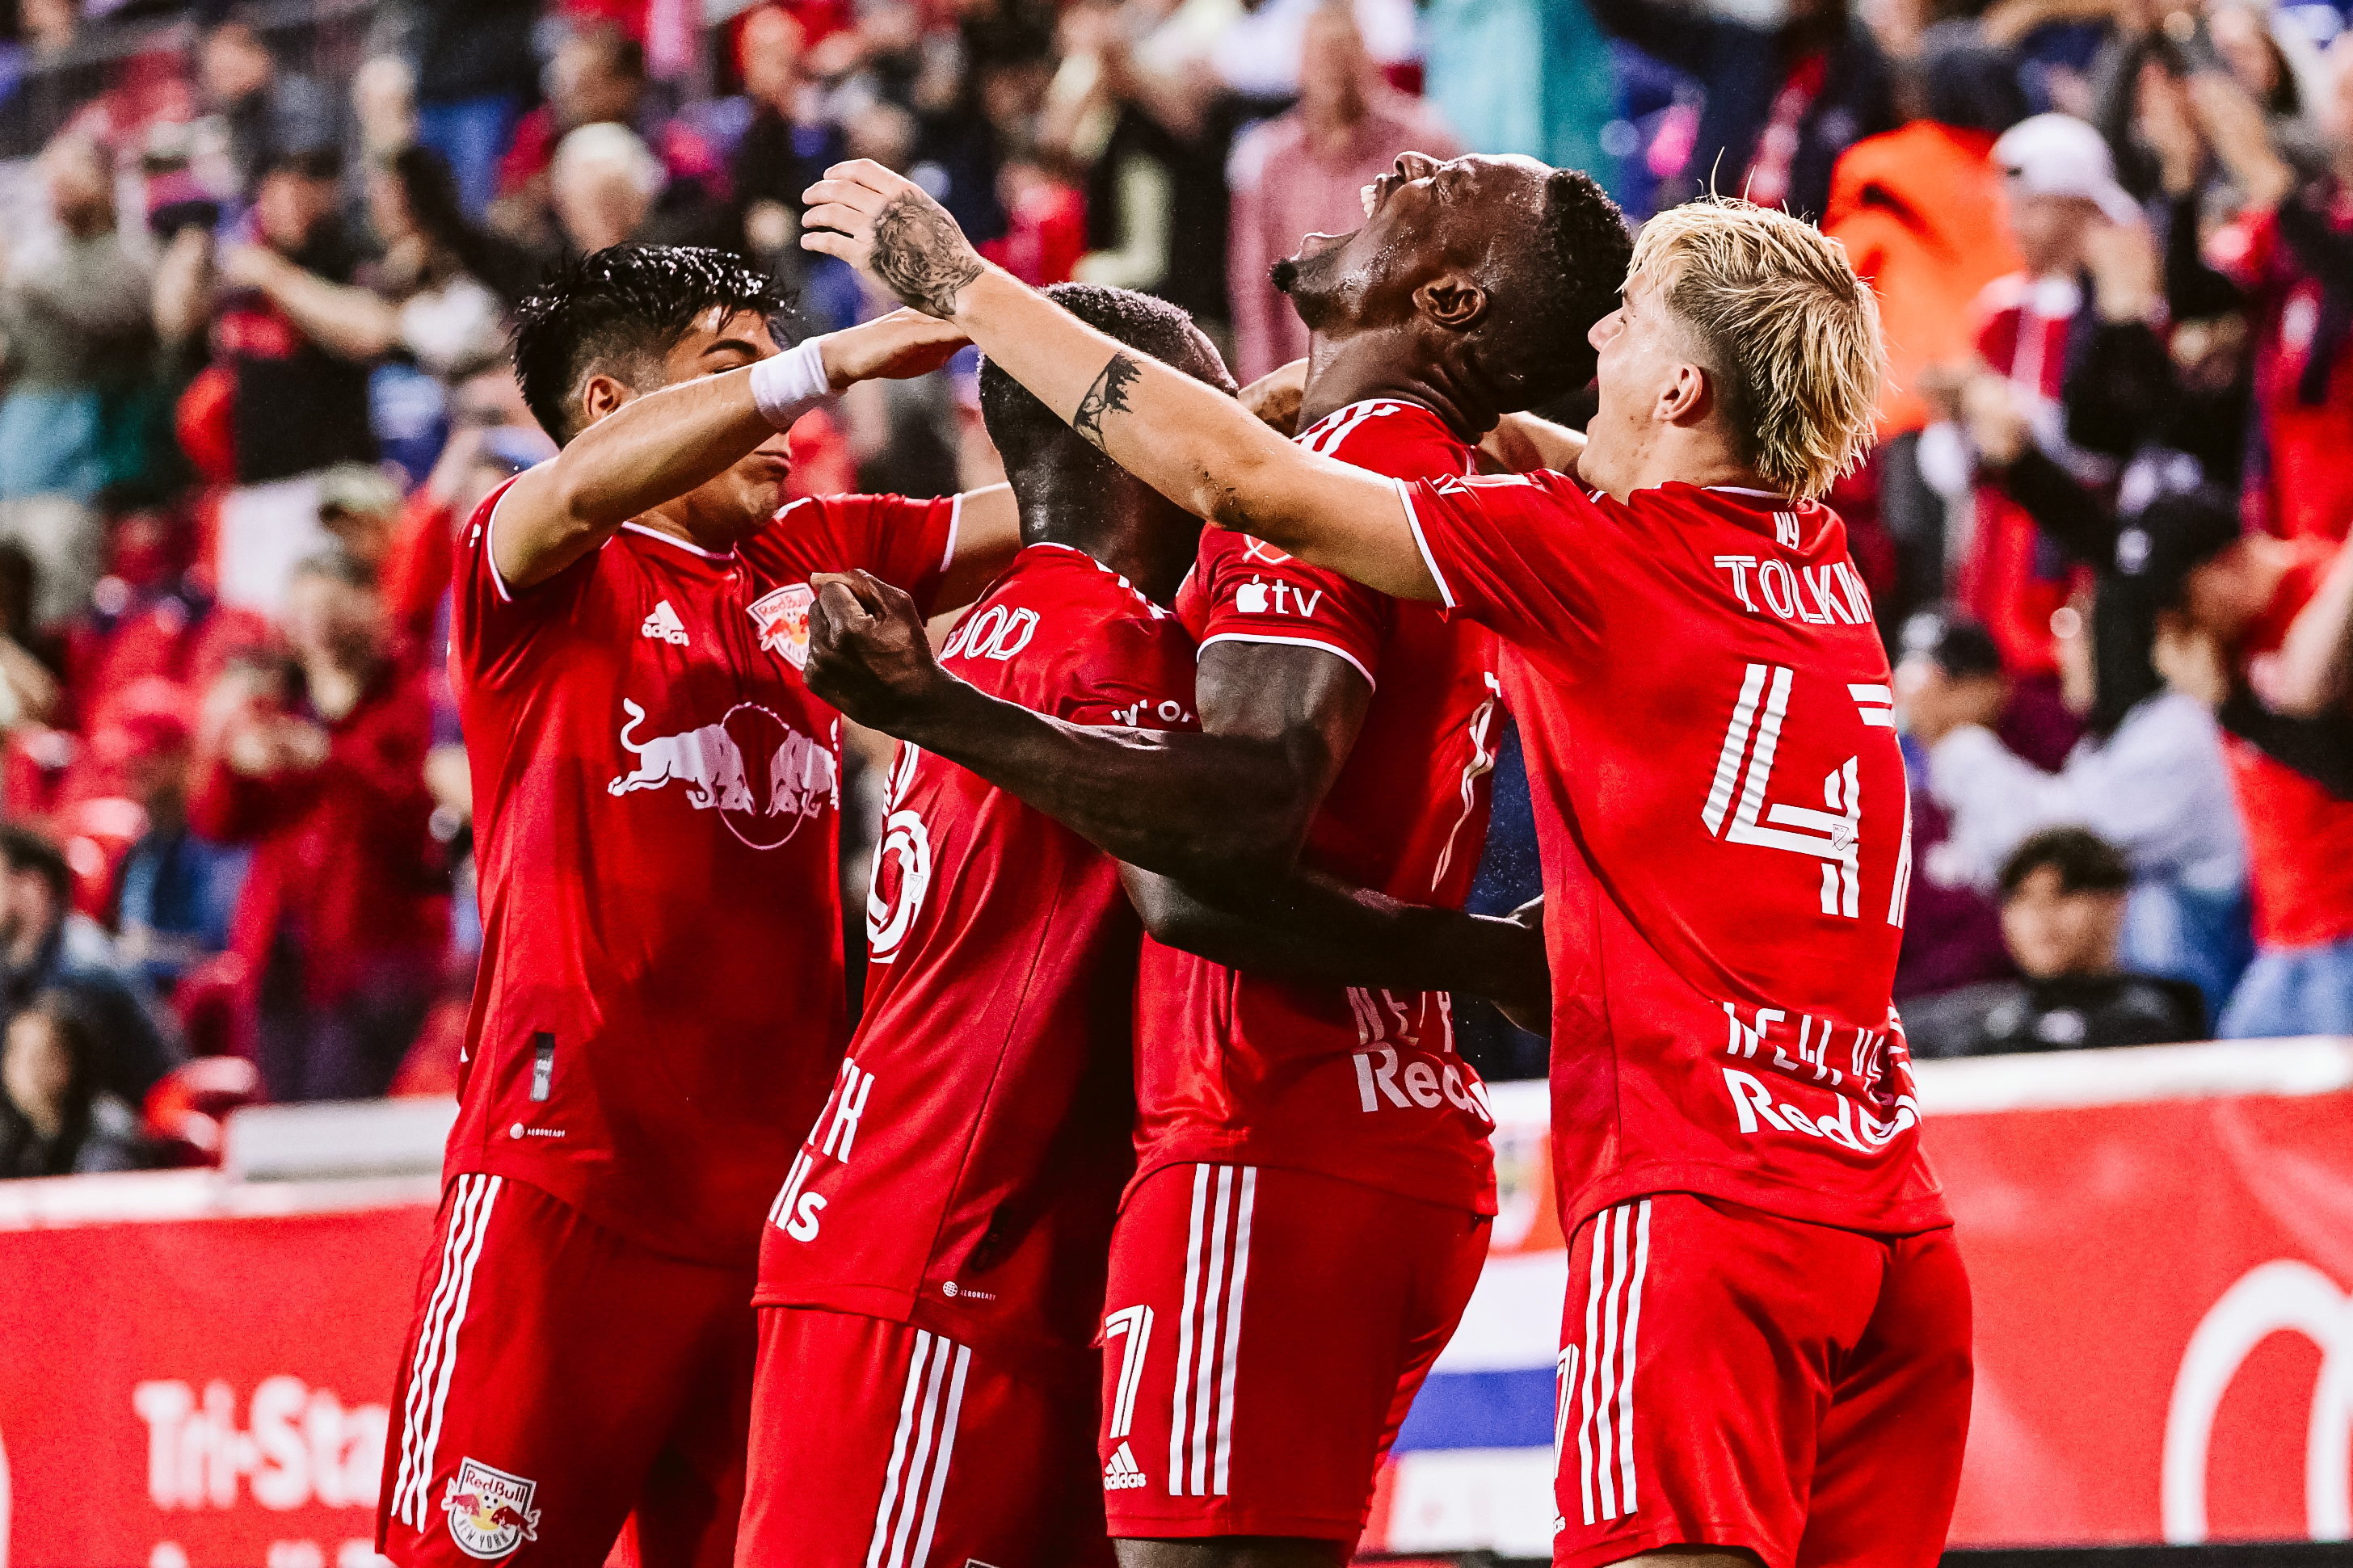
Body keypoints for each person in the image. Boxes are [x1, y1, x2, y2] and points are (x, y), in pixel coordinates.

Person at [801, 160, 1970, 1567]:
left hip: (1655, 1195)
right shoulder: (1809, 560)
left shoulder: (1575, 550)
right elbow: (1547, 463)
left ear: (1678, 396)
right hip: (1881, 1208)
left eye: (1633, 325)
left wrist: (961, 287)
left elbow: (1239, 505)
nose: (1601, 336)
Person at [799, 151, 1618, 1558]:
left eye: (1450, 185)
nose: (1409, 160)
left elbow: (1221, 842)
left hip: (1267, 1124)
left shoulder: (1356, 472)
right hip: (1362, 1117)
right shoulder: (1424, 481)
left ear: (1451, 297)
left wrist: (932, 705)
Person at [372, 245, 1015, 1568]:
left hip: (773, 1218)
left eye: (773, 378)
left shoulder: (807, 552)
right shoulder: (535, 560)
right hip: (571, 1183)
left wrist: (1300, 417)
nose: (788, 420)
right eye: (733, 373)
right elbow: (580, 493)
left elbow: (1060, 512)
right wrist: (820, 359)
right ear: (611, 404)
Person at [741, 281, 1231, 1567]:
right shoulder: (1113, 654)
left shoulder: (1004, 625)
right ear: (1137, 436)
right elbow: (1202, 883)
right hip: (946, 1267)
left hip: (929, 1242)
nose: (1230, 441)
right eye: (1207, 408)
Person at [188, 553, 450, 1103]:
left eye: (333, 608)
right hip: (280, 962)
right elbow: (218, 822)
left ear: (374, 608)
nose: (320, 627)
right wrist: (228, 754)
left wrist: (327, 759)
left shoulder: (414, 700)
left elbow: (418, 819)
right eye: (304, 611)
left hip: (377, 962)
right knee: (284, 1129)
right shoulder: (280, 702)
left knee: (339, 1128)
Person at [2136, 491, 2353, 1038]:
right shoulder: (2227, 638)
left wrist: (2236, 710)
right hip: (2284, 938)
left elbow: (2341, 768)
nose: (2175, 623)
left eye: (2182, 600)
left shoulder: (2327, 596)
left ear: (2226, 565)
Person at [1223, 2, 1459, 382]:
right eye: (1321, 55)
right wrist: (1264, 392)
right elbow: (1254, 293)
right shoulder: (1271, 163)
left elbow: (1456, 262)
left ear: (1369, 62)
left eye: (1344, 54)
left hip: (1407, 378)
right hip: (1301, 380)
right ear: (1299, 68)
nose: (1334, 70)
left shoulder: (1422, 144)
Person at [0, 132, 157, 628]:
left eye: (74, 171)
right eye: (53, 174)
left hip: (78, 479)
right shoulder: (40, 265)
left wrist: (17, 275)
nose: (60, 185)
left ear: (108, 181)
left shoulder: (132, 255)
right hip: (15, 469)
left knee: (60, 623)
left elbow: (113, 310)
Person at [1905, 826, 2207, 1057]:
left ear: (2115, 902)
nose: (2042, 917)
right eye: (2023, 899)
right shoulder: (1966, 1021)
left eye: (2063, 895)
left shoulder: (2162, 1017)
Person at [0, 824, 175, 1109]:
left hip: (107, 1133)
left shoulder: (82, 971)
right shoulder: (14, 960)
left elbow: (66, 1097)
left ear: (32, 887)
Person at [0, 990, 147, 1178]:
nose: (21, 1067)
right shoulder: (11, 1134)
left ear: (70, 1061)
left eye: (38, 1056)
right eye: (15, 1052)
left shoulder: (108, 1132)